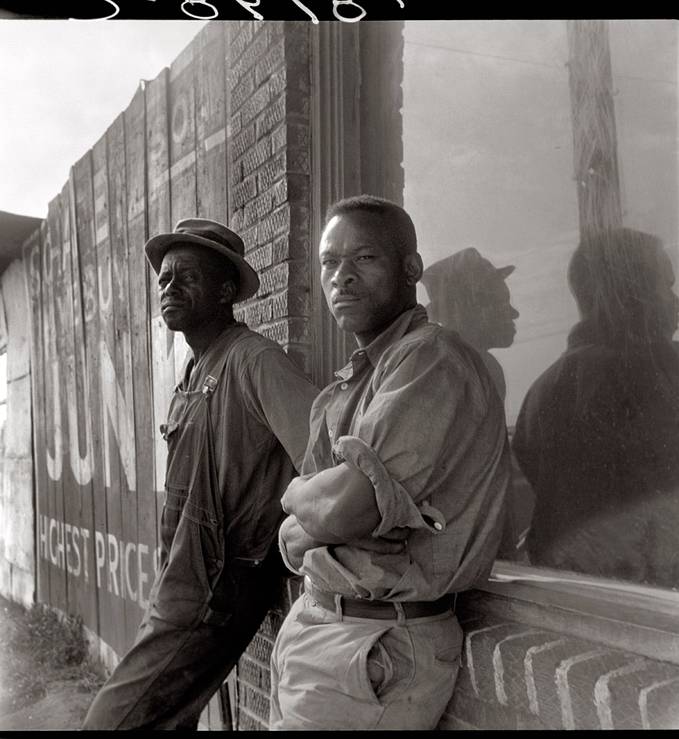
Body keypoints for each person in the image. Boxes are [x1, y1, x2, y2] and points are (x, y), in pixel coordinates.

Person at [268, 195, 510, 731]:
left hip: (373, 645)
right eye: (330, 262)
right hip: (318, 627)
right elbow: (292, 538)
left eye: (364, 258)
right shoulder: (350, 382)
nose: (342, 276)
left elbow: (340, 511)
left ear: (411, 269)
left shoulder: (431, 358)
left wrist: (299, 498)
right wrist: (315, 513)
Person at [83, 218, 318, 730]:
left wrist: (292, 543)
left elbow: (323, 464)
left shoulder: (255, 360)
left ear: (225, 291)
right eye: (164, 279)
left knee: (112, 721)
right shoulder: (195, 369)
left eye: (187, 277)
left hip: (218, 588)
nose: (169, 287)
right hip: (181, 579)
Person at [513, 228, 679, 588]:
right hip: (652, 596)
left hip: (570, 590)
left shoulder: (542, 389)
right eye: (665, 286)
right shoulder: (655, 373)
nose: (675, 300)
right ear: (630, 295)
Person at [421, 247, 519, 400]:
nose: (514, 313)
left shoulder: (434, 364)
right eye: (500, 303)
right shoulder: (479, 368)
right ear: (463, 309)